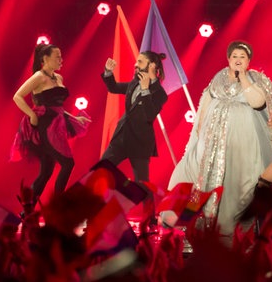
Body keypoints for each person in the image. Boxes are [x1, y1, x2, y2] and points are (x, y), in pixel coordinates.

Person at [162, 40, 272, 239]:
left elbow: (257, 102)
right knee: (190, 174)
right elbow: (205, 106)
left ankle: (230, 227)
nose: (238, 60)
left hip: (243, 144)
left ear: (248, 61)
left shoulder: (257, 79)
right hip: (213, 143)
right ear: (228, 59)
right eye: (235, 57)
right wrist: (198, 135)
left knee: (239, 182)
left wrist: (245, 79)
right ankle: (189, 220)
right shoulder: (217, 79)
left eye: (242, 57)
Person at [11, 44, 91, 202]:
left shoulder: (58, 78)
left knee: (46, 171)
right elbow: (17, 96)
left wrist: (75, 119)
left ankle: (27, 210)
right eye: (57, 57)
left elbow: (57, 108)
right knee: (68, 163)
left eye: (61, 56)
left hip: (57, 125)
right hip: (46, 127)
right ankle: (58, 206)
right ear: (45, 59)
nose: (61, 60)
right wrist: (31, 115)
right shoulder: (39, 77)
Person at [100, 51, 168, 183]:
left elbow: (149, 115)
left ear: (152, 66)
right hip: (121, 137)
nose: (135, 64)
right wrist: (108, 72)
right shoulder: (134, 83)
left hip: (139, 143)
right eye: (137, 61)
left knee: (141, 183)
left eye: (140, 62)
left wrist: (145, 90)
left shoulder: (159, 93)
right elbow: (113, 88)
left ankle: (147, 203)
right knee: (101, 170)